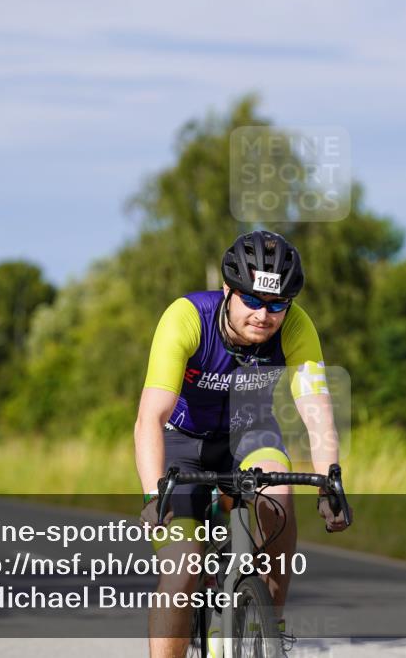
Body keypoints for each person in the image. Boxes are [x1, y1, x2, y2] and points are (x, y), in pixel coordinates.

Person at [134, 230, 349, 658]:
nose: (264, 315)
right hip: (182, 439)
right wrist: (153, 492)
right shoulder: (187, 317)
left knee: (279, 498)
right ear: (228, 290)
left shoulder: (297, 327)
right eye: (252, 300)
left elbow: (317, 413)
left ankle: (270, 627)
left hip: (251, 433)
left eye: (276, 305)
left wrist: (330, 484)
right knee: (182, 570)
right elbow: (149, 419)